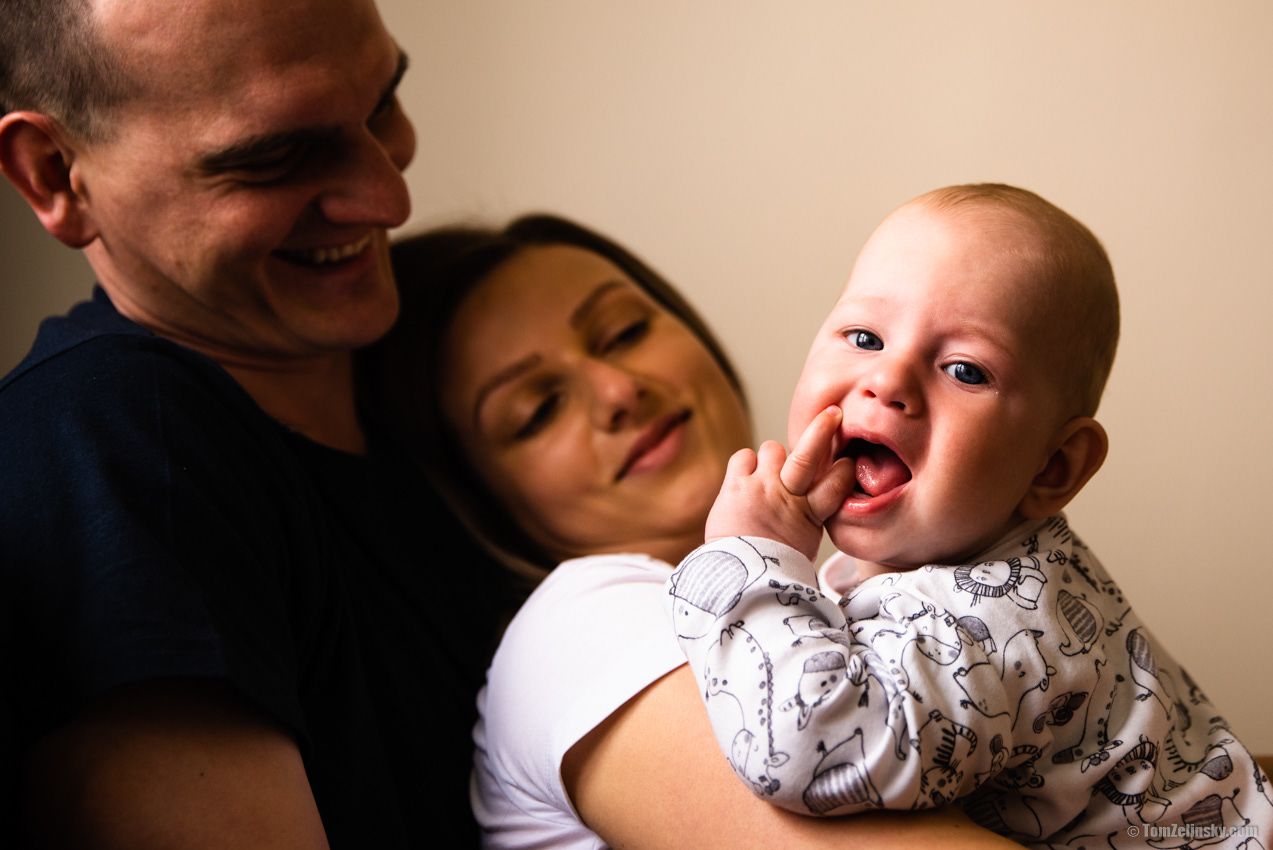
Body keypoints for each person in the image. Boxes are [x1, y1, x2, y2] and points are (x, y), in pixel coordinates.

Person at [0, 0, 504, 845]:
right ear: (55, 174)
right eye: (274, 157)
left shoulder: (437, 372)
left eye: (383, 102)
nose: (389, 199)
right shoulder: (110, 445)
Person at [365, 213, 1028, 849]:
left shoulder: (858, 593)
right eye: (538, 409)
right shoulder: (576, 627)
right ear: (476, 498)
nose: (618, 391)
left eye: (623, 332)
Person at [665, 184, 1273, 846]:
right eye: (865, 337)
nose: (887, 381)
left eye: (965, 371)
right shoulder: (947, 563)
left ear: (1052, 467)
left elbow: (810, 753)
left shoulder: (1001, 625)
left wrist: (751, 562)